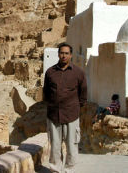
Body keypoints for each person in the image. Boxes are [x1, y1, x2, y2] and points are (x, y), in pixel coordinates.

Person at [43, 42, 87, 173]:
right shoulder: (50, 72)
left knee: (71, 145)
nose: (64, 56)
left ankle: (69, 169)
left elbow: (83, 93)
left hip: (71, 115)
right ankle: (55, 169)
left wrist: (76, 107)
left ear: (71, 55)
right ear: (58, 54)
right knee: (55, 146)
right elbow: (46, 92)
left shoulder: (78, 73)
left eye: (66, 53)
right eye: (61, 53)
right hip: (54, 115)